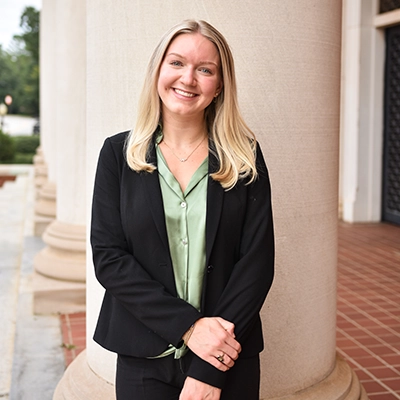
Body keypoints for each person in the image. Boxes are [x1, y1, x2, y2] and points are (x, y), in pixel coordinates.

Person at [91, 19, 274, 400]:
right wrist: (190, 328)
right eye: (176, 63)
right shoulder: (117, 155)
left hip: (227, 358)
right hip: (143, 354)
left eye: (205, 70)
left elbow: (256, 263)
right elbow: (109, 258)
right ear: (158, 70)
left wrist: (209, 366)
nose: (188, 79)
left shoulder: (243, 157)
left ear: (219, 85)